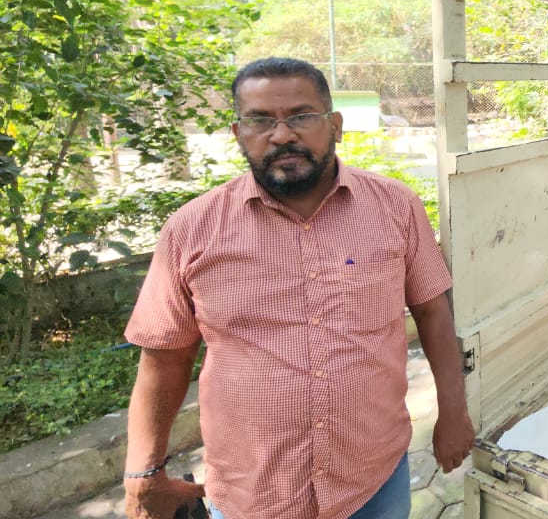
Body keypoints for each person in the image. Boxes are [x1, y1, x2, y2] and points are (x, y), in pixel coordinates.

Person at [122, 57, 475, 519]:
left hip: (373, 479)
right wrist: (143, 473)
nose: (283, 134)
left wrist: (453, 409)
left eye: (302, 117)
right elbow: (164, 355)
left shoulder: (396, 207)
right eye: (261, 120)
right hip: (254, 491)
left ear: (335, 126)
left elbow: (433, 312)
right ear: (238, 134)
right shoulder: (192, 229)